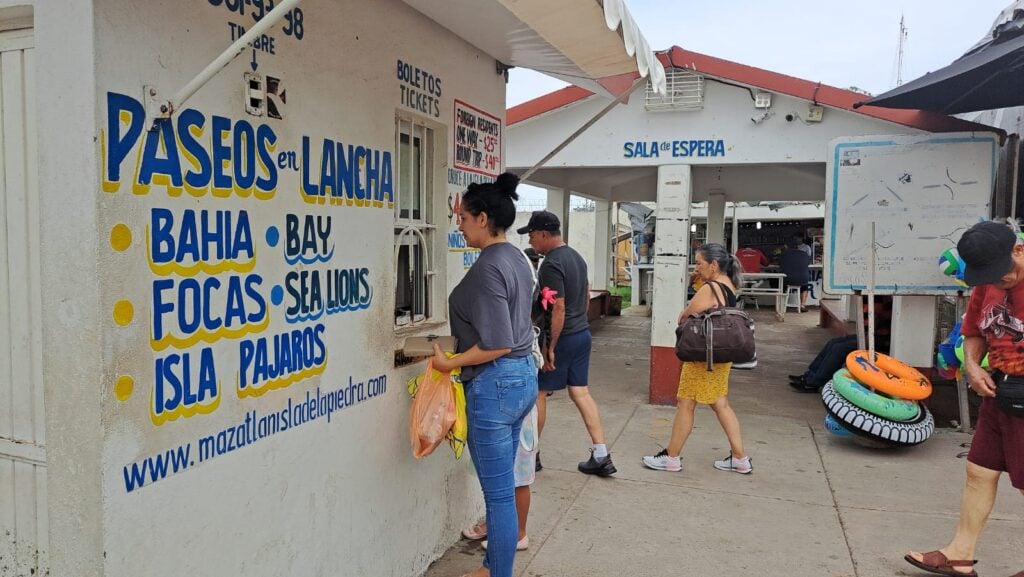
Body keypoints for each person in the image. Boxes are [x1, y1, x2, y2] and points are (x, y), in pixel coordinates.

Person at [431, 172, 537, 577]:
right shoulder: (515, 258)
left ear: (482, 218)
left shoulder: (490, 267)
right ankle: (494, 566)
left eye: (462, 217)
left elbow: (497, 342)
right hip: (520, 379)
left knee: (498, 497)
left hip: (496, 383)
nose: (458, 223)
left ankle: (499, 572)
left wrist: (449, 363)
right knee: (503, 490)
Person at [905, 220, 1024, 577]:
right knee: (979, 470)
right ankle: (960, 554)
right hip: (999, 391)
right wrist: (972, 365)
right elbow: (974, 331)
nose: (997, 280)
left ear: (1018, 250)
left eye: (1002, 273)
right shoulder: (986, 284)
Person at [519, 210, 616, 477]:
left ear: (543, 234)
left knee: (538, 393)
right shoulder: (576, 257)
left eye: (531, 235)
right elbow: (584, 297)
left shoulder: (551, 264)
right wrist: (578, 324)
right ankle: (601, 454)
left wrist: (550, 346)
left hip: (560, 337)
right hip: (582, 334)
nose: (530, 241)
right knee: (581, 392)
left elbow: (557, 307)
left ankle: (531, 455)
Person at [642, 243, 753, 474]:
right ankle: (739, 458)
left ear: (713, 265)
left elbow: (685, 317)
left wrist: (696, 291)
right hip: (720, 356)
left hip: (704, 358)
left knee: (686, 403)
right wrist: (698, 283)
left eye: (700, 263)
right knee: (720, 403)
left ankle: (671, 457)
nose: (696, 267)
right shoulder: (727, 285)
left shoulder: (710, 288)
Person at [462, 405, 538, 553]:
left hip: (515, 412)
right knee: (498, 479)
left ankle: (519, 534)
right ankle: (496, 526)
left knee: (518, 481)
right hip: (506, 409)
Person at [789, 296, 893, 393]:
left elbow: (880, 331)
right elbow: (866, 326)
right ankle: (810, 375)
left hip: (881, 341)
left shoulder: (890, 311)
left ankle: (814, 382)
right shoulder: (878, 310)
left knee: (839, 348)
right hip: (871, 337)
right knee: (833, 342)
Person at [780, 236, 812, 312]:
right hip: (802, 278)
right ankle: (802, 305)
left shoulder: (784, 254)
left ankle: (780, 304)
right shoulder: (804, 254)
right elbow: (808, 263)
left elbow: (780, 264)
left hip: (787, 279)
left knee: (780, 285)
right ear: (797, 247)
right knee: (804, 287)